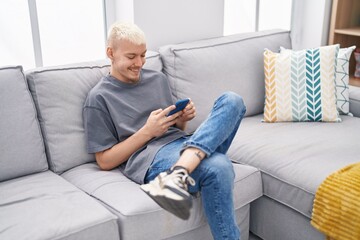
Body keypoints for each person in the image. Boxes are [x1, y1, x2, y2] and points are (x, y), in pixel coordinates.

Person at [83, 22, 246, 240]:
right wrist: (147, 132)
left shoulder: (157, 79)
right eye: (132, 56)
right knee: (219, 166)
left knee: (233, 100)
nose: (139, 63)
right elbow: (104, 160)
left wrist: (182, 120)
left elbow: (173, 129)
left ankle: (179, 172)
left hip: (182, 143)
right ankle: (181, 170)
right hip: (150, 157)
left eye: (143, 55)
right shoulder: (98, 98)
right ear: (110, 53)